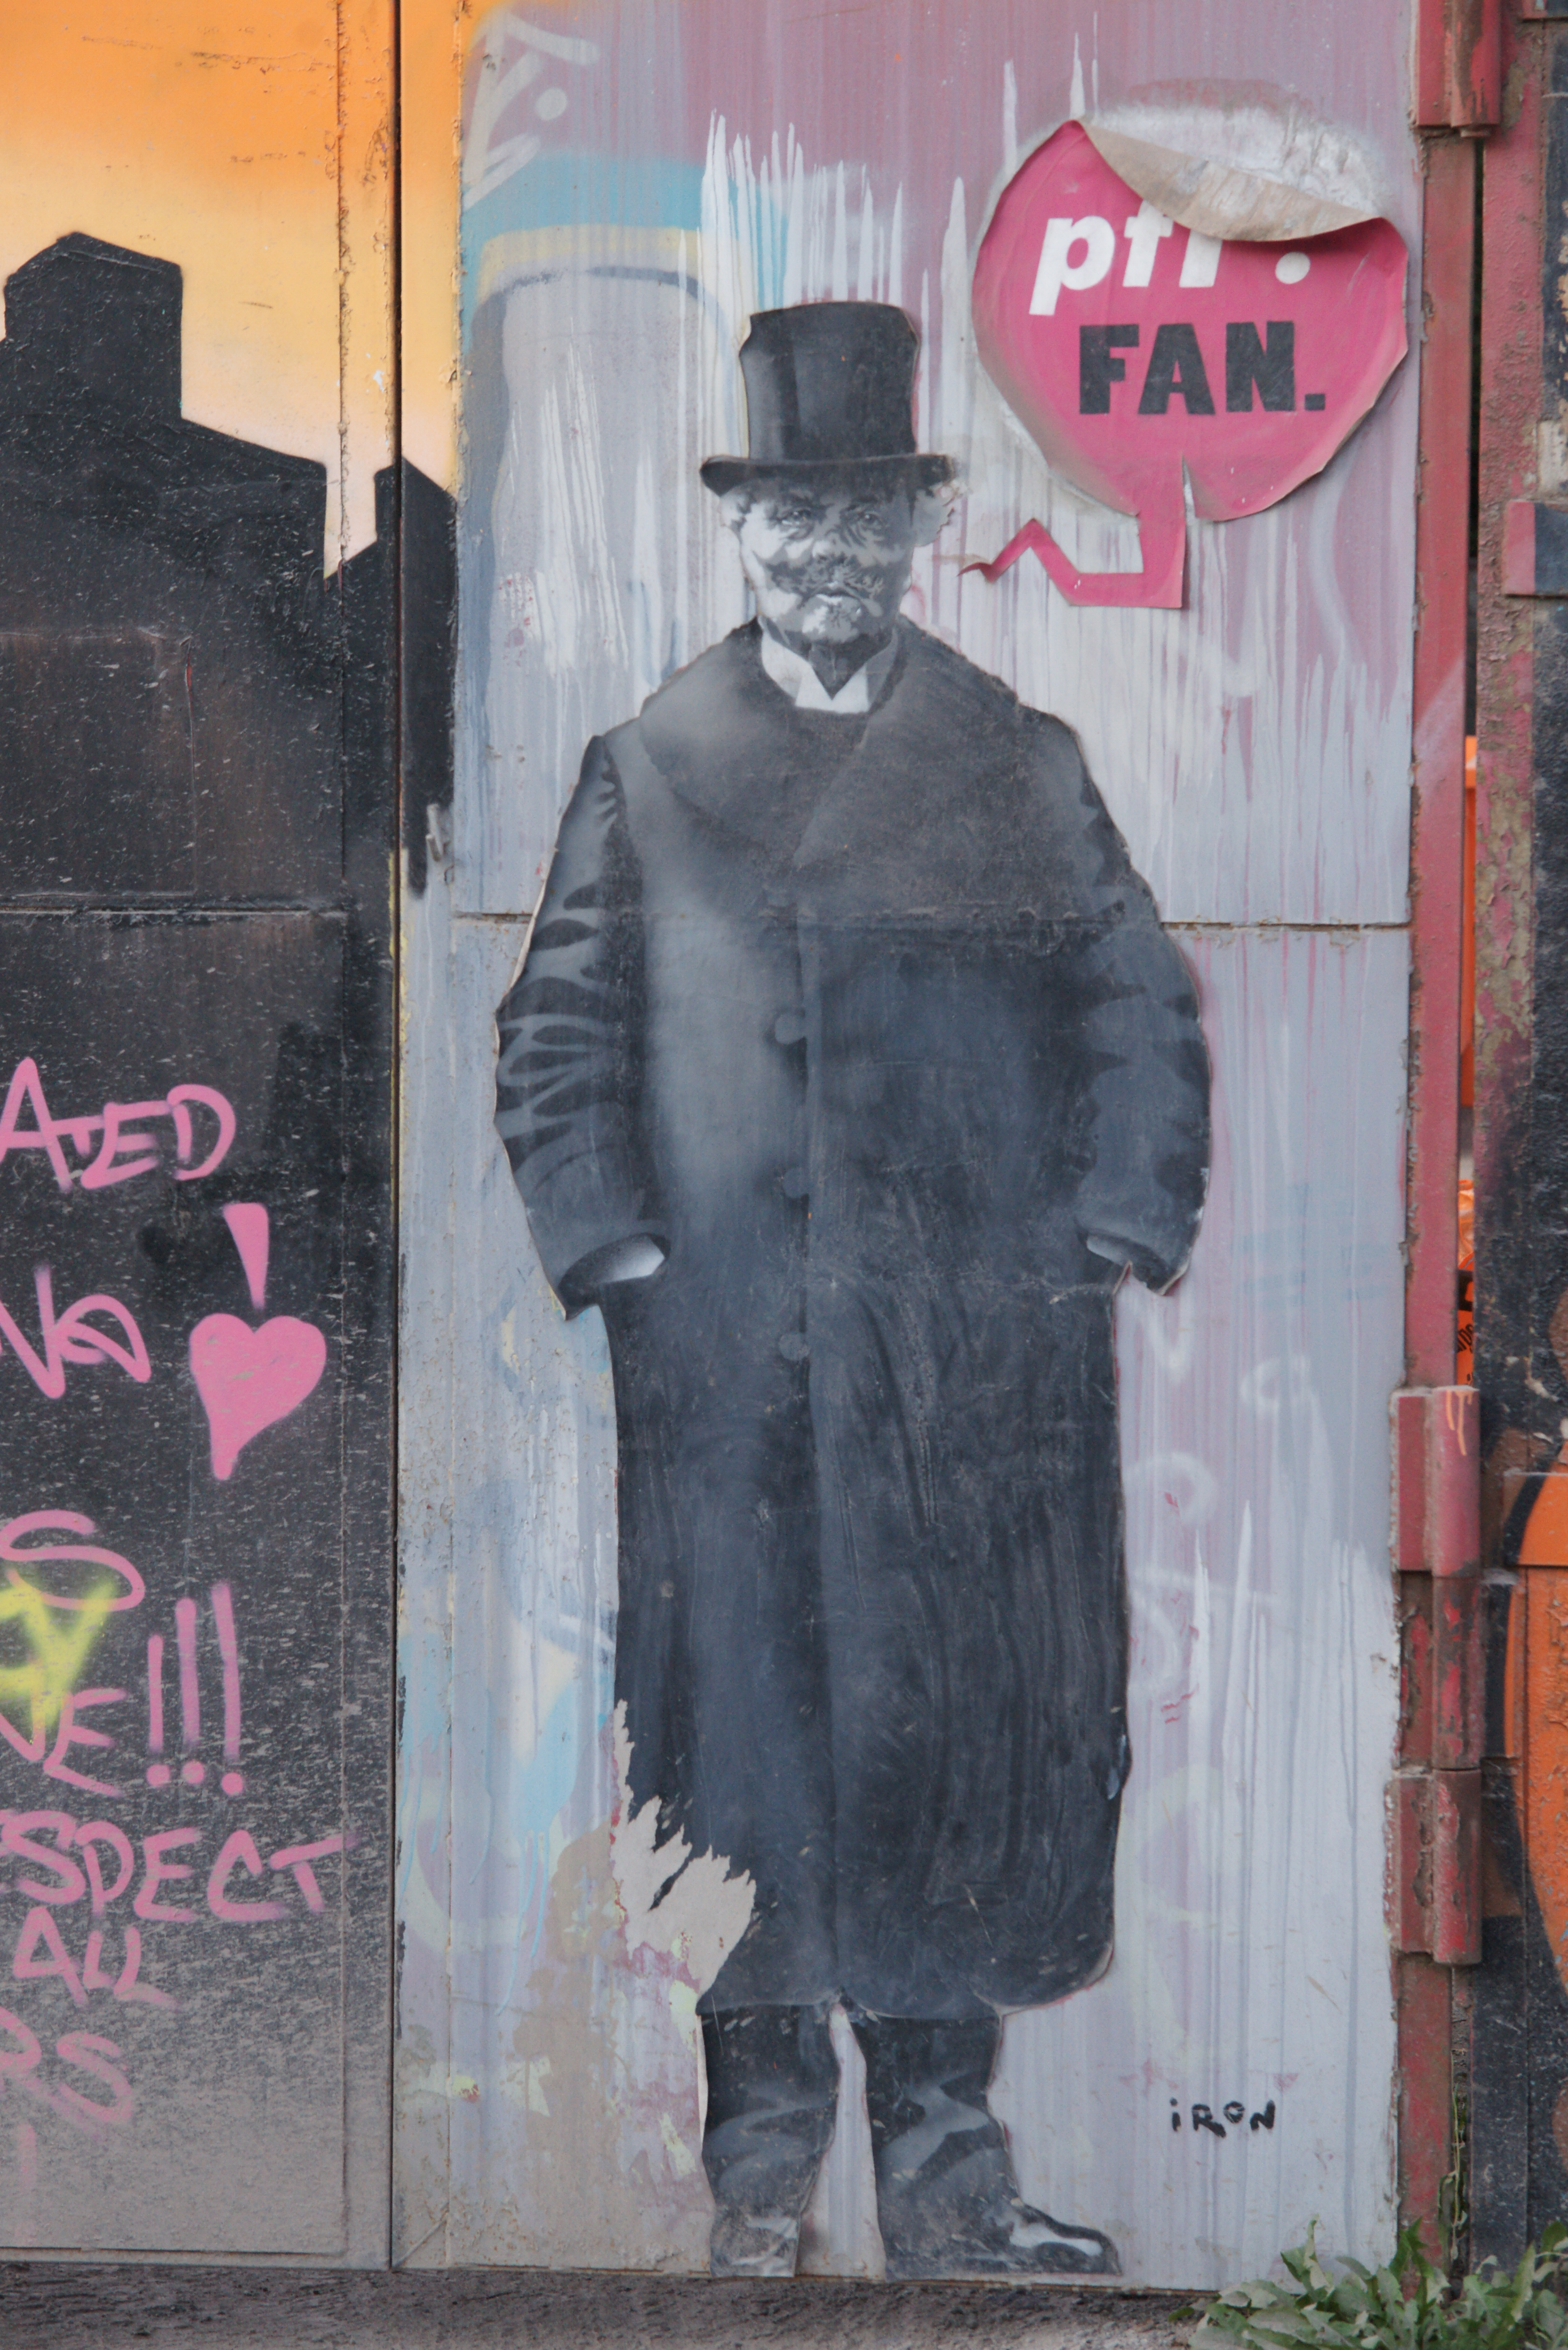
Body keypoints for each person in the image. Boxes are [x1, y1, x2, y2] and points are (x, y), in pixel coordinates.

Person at [495, 300, 1210, 2280]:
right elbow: (558, 1033)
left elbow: (1136, 1002)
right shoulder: (648, 766)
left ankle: (955, 2190)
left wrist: (1099, 1240)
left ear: (918, 533)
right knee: (742, 1758)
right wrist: (629, 1262)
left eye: (867, 515)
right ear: (742, 530)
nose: (831, 550)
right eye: (795, 514)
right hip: (729, 1368)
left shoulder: (1017, 760)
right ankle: (757, 2189)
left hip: (965, 1374)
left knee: (949, 1751)